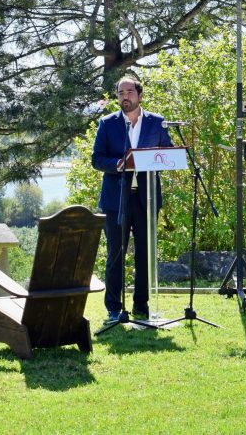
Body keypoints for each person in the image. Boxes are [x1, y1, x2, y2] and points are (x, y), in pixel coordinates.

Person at [91, 76, 173, 323]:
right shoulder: (107, 124)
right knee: (116, 253)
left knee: (145, 255)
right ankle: (114, 308)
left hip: (146, 198)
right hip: (116, 200)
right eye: (120, 93)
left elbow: (167, 152)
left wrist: (162, 157)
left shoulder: (157, 122)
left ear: (139, 95)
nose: (124, 97)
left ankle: (141, 305)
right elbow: (97, 159)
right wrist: (116, 165)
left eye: (128, 92)